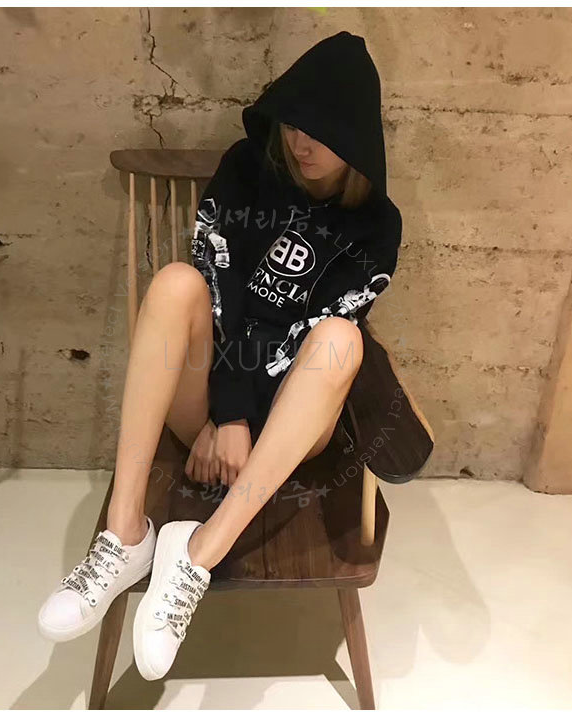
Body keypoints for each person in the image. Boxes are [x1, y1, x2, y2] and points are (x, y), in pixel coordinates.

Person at [37, 30, 403, 681]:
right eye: (292, 124)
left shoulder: (376, 226)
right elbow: (221, 288)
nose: (301, 144)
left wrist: (243, 422)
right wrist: (225, 414)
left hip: (292, 423)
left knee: (341, 339)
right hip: (212, 401)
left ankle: (199, 551)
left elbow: (314, 330)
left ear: (355, 138)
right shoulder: (248, 169)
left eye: (321, 133)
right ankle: (126, 534)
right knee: (177, 282)